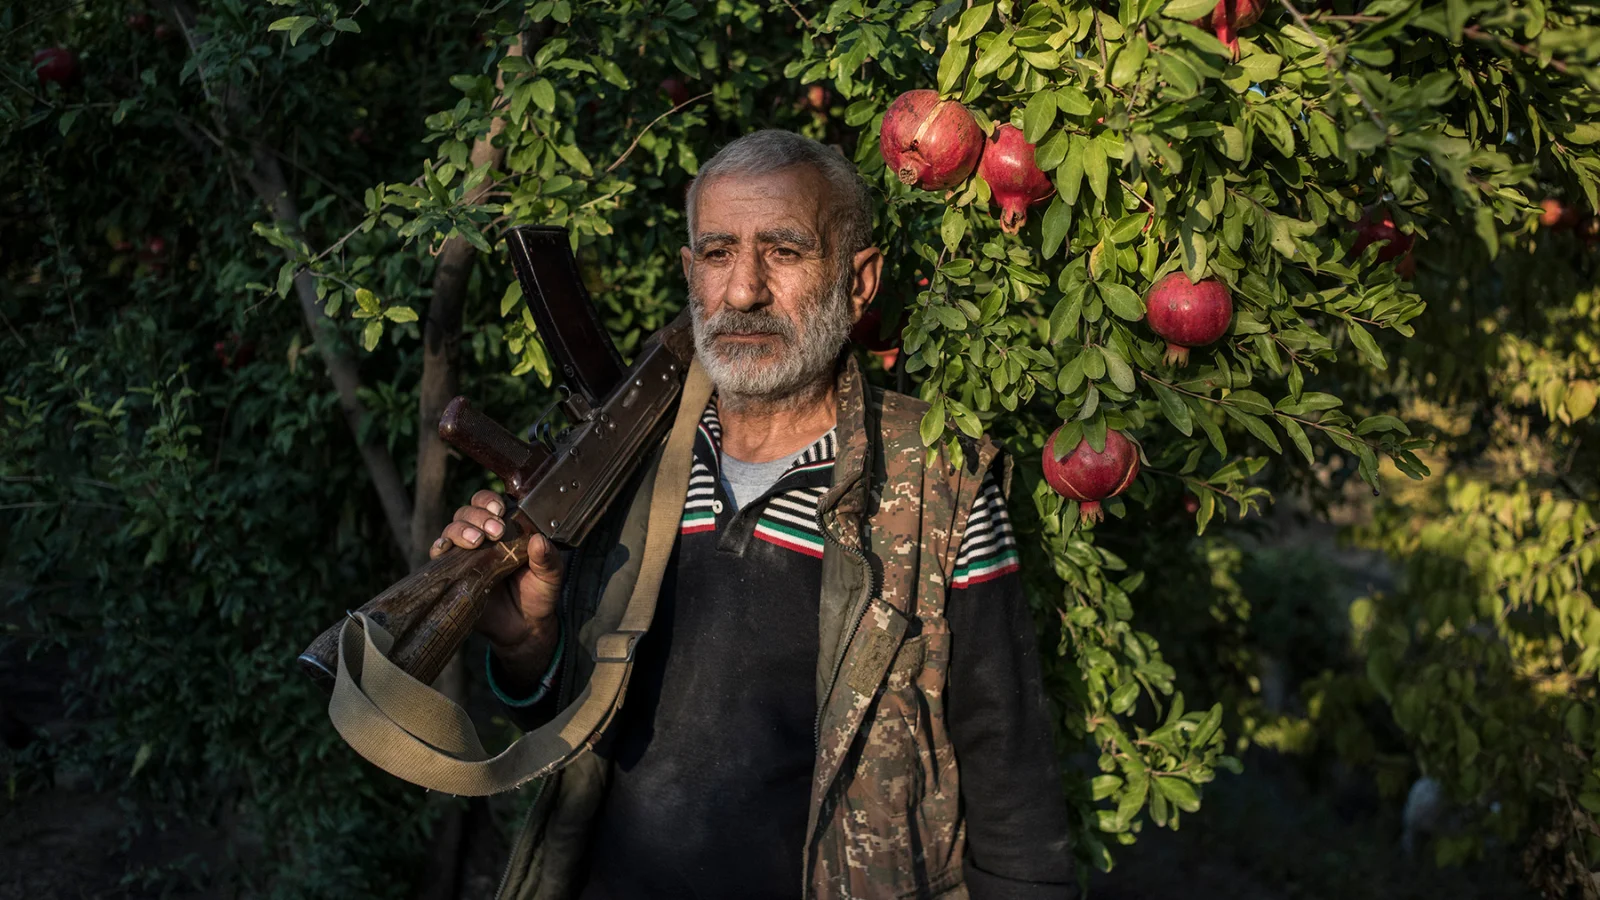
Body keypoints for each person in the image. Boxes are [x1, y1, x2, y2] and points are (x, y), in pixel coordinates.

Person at [431, 130, 1075, 899]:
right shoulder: (627, 466)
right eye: (716, 253)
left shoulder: (940, 481)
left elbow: (1013, 784)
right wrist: (528, 647)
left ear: (859, 280)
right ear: (689, 272)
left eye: (785, 251)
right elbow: (572, 729)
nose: (743, 291)